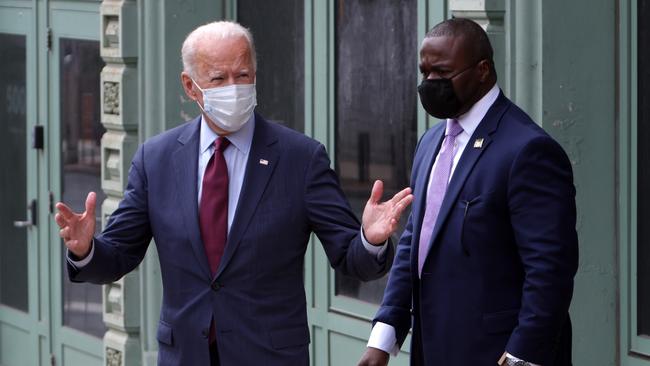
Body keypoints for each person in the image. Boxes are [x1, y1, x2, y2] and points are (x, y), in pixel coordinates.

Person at [55, 21, 413, 366]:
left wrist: (370, 239)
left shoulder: (300, 159)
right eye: (218, 78)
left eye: (242, 75)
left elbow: (352, 259)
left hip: (270, 355)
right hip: (185, 354)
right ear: (191, 87)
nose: (234, 87)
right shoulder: (157, 159)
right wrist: (86, 250)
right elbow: (117, 256)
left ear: (255, 76)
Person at [358, 18, 578, 366]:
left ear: (483, 71)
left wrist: (521, 357)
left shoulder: (528, 150)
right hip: (432, 350)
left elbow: (550, 269)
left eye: (442, 74)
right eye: (425, 72)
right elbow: (417, 243)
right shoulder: (431, 143)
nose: (431, 83)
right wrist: (383, 337)